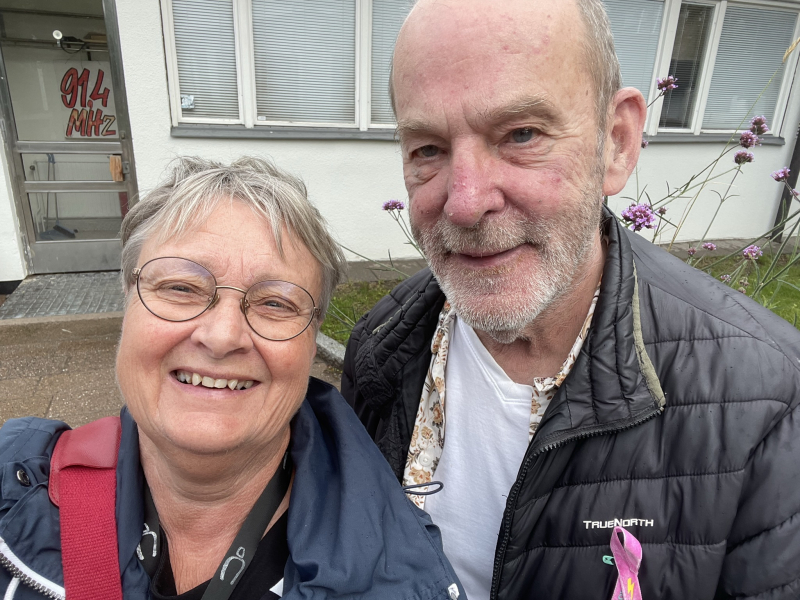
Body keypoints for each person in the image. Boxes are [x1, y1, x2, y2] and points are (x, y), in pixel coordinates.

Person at [341, 0, 800, 598]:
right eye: (427, 148)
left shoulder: (770, 404)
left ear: (617, 143)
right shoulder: (381, 350)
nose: (465, 202)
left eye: (521, 134)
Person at [0, 157, 465, 600]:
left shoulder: (405, 574)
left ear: (312, 338)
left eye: (275, 303)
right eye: (181, 287)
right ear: (128, 301)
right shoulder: (13, 487)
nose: (222, 337)